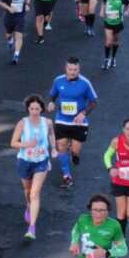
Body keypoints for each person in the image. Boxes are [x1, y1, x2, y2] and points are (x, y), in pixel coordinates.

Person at [9, 94, 57, 241]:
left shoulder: (47, 122)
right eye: (32, 108)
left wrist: (54, 148)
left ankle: (32, 228)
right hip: (25, 161)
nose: (34, 111)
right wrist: (26, 145)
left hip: (41, 161)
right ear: (28, 109)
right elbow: (13, 143)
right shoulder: (22, 123)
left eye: (37, 108)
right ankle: (29, 206)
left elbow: (51, 135)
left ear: (42, 109)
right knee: (28, 190)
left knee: (35, 193)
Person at [48, 57, 97, 188]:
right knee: (61, 146)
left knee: (75, 151)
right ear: (66, 68)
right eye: (70, 69)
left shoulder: (85, 83)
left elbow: (93, 102)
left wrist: (83, 114)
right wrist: (51, 102)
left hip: (78, 122)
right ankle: (66, 175)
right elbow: (53, 95)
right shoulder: (58, 81)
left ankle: (74, 154)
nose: (72, 72)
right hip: (62, 120)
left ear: (79, 69)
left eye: (75, 69)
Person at [69, 194, 128, 258]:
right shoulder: (83, 220)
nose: (98, 214)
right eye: (95, 210)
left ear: (107, 211)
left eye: (102, 210)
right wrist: (74, 242)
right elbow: (76, 230)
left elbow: (123, 250)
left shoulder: (114, 225)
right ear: (90, 210)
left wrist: (107, 253)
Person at [100, 0, 129, 70]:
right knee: (109, 41)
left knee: (116, 41)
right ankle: (106, 60)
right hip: (108, 23)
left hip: (118, 23)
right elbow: (103, 3)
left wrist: (127, 11)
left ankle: (113, 58)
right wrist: (102, 10)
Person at [0, 0, 31, 64]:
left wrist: (27, 4)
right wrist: (9, 8)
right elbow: (0, 2)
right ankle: (10, 40)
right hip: (9, 17)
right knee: (8, 34)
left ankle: (16, 55)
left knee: (19, 36)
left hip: (20, 17)